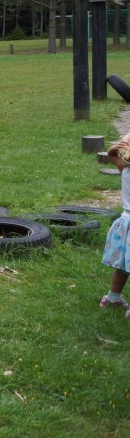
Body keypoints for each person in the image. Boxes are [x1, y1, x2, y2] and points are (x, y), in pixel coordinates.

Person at [101, 134, 130, 318]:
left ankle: (112, 298)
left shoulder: (125, 169)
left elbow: (111, 154)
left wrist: (114, 149)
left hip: (125, 225)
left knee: (123, 268)